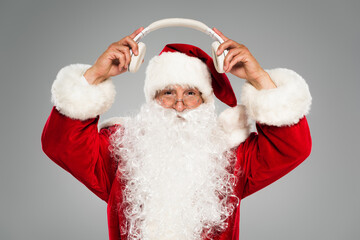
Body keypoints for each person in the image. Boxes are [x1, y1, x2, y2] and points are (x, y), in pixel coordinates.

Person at [41, 27, 312, 240]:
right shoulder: (122, 150)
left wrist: (259, 78)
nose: (179, 105)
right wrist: (95, 75)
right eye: (168, 92)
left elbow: (292, 147)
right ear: (152, 99)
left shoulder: (231, 157)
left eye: (191, 93)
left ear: (206, 101)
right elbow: (61, 144)